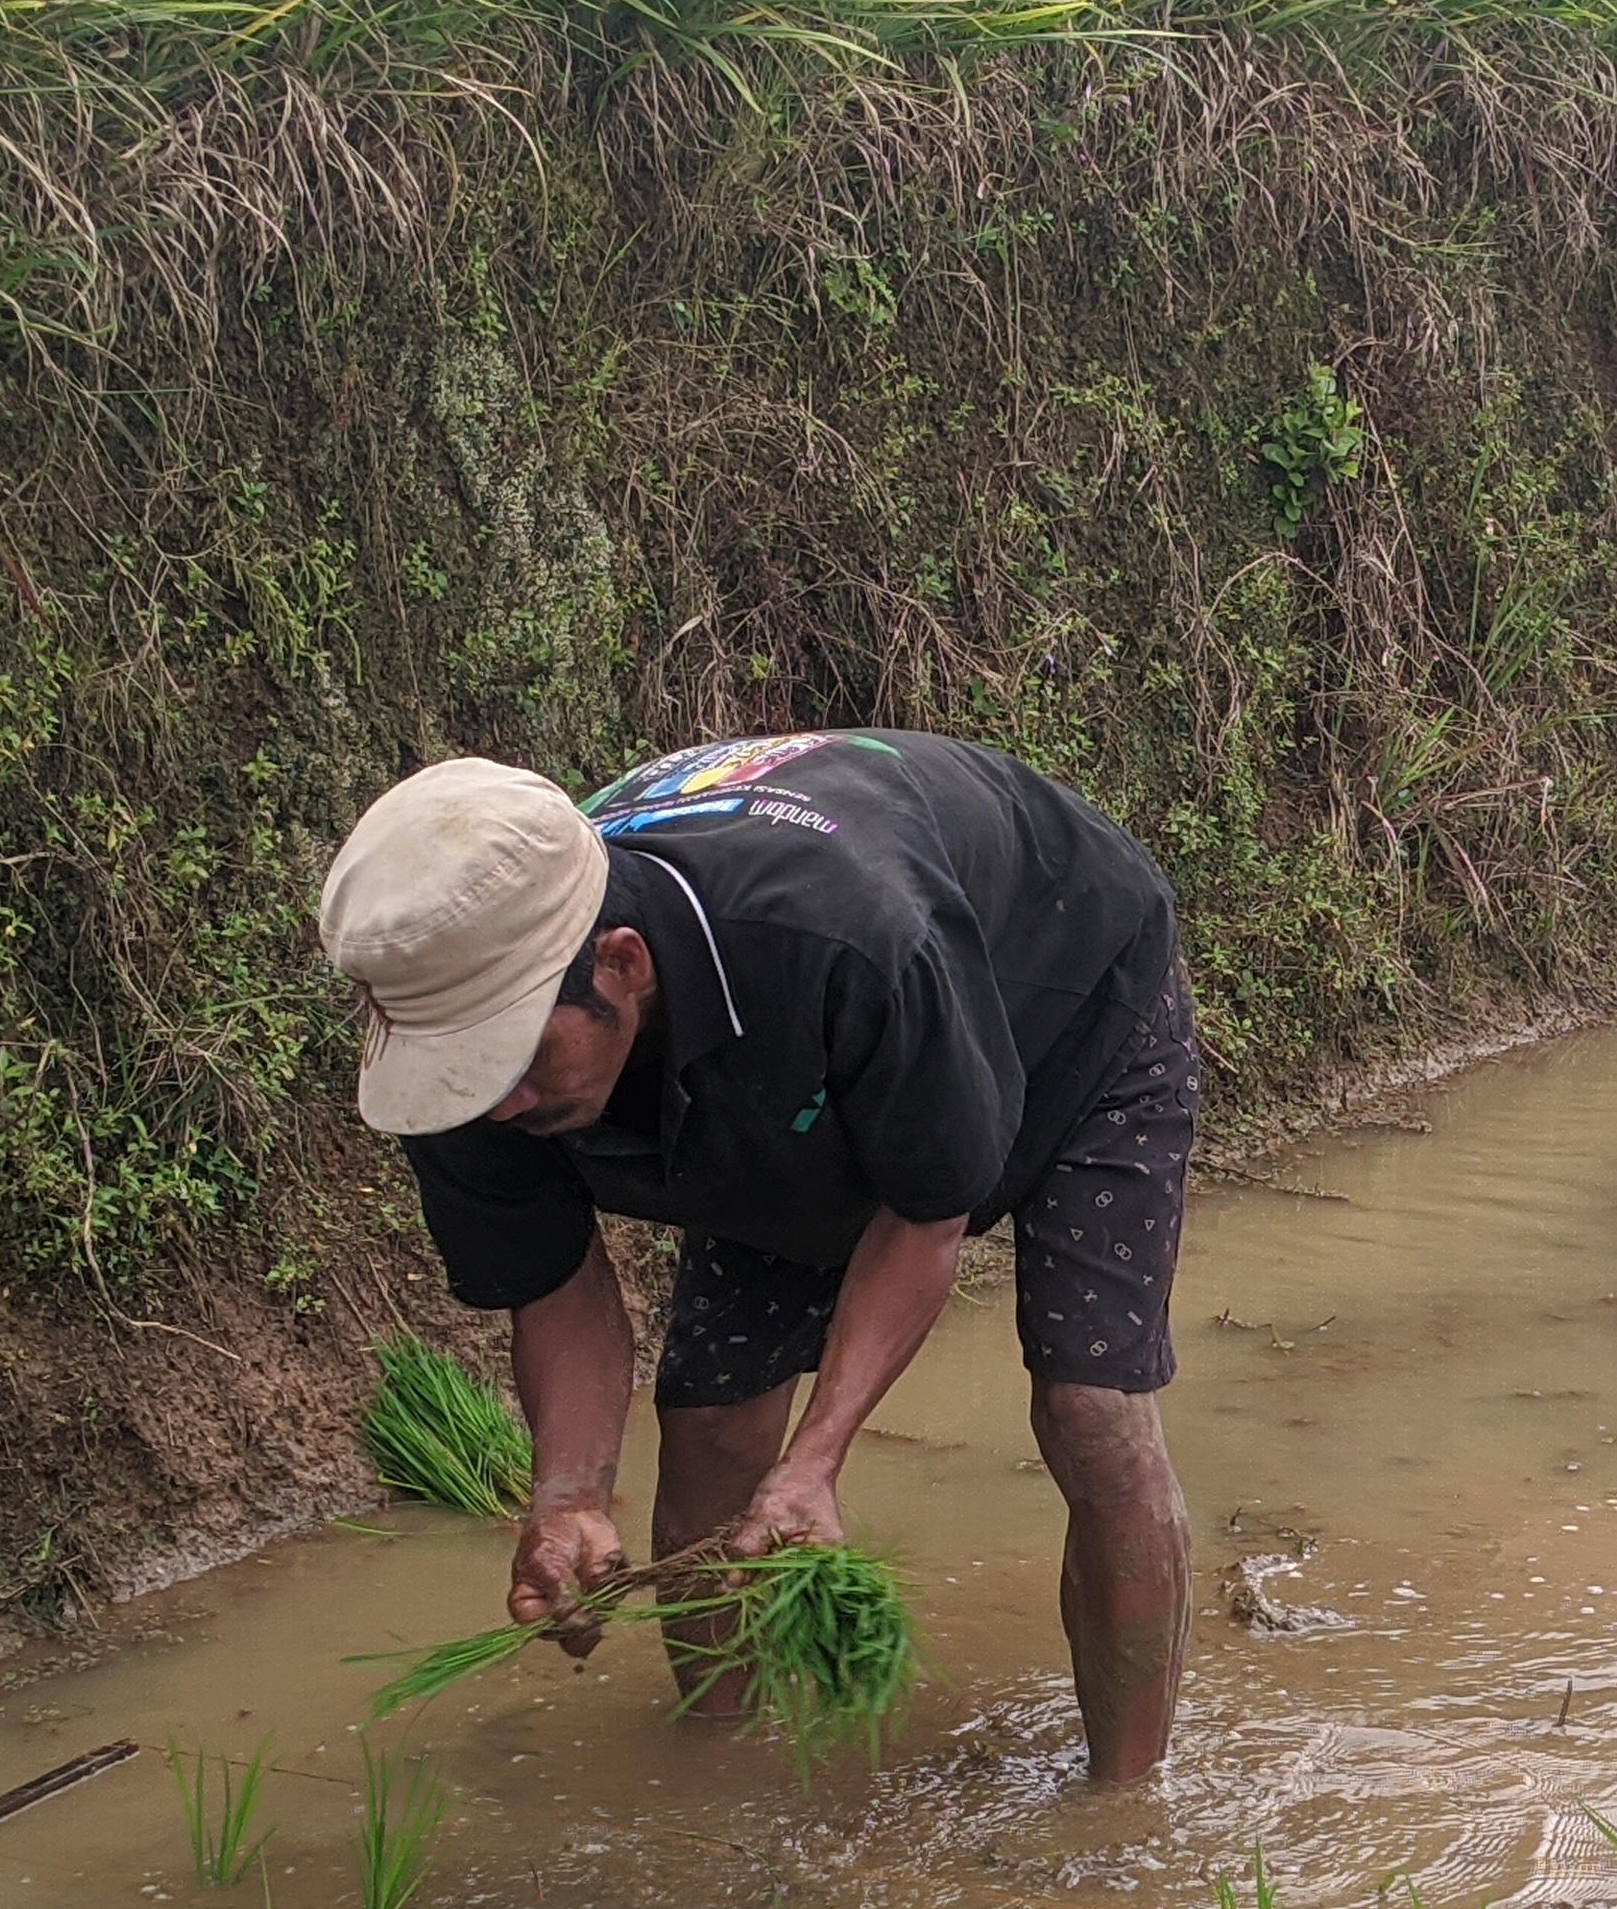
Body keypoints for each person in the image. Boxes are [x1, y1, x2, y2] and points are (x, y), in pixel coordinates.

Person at [315, 731, 1195, 1778]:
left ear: (621, 965)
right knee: (712, 1429)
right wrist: (568, 1500)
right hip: (786, 1069)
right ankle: (719, 1767)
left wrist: (817, 1462)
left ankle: (1125, 1805)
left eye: (518, 1059)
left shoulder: (848, 933)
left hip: (1064, 998)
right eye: (466, 1076)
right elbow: (554, 1287)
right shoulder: (460, 1057)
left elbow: (924, 1213)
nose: (498, 1104)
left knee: (1089, 1411)